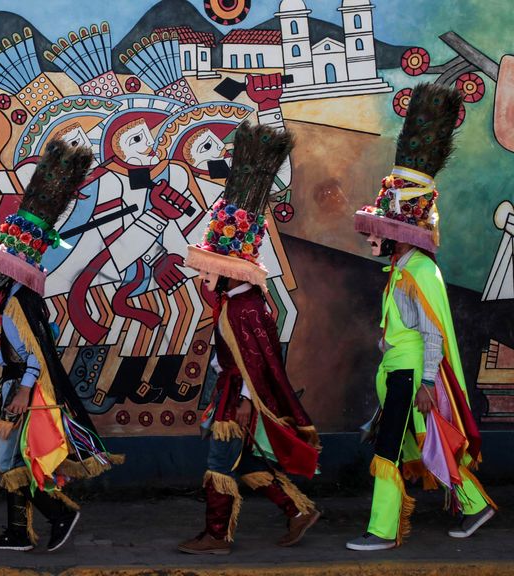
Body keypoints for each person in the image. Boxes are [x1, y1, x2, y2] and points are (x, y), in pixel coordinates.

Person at [348, 83, 497, 551]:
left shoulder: (419, 270)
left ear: (399, 233)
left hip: (411, 377)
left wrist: (429, 384)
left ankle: (383, 529)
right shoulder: (402, 268)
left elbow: (432, 333)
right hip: (400, 372)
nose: (372, 239)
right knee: (427, 441)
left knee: (389, 448)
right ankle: (475, 504)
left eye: (378, 232)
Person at [0, 139, 122, 553]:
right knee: (15, 460)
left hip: (25, 392)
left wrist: (21, 392)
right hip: (22, 388)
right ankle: (19, 532)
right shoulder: (21, 298)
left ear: (6, 266)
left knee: (9, 461)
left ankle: (57, 515)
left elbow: (37, 353)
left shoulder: (17, 303)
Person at [178, 122, 320, 555]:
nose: (204, 272)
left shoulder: (243, 308)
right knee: (246, 461)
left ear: (230, 268)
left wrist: (240, 402)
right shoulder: (239, 302)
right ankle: (296, 510)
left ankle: (217, 536)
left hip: (237, 398)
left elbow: (252, 364)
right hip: (233, 394)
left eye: (209, 265)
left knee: (220, 465)